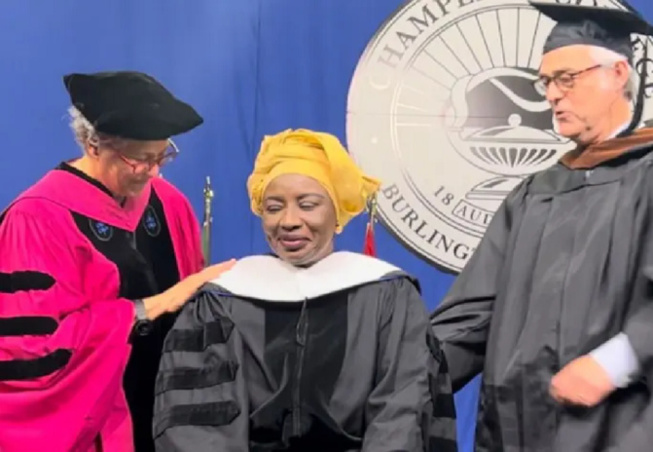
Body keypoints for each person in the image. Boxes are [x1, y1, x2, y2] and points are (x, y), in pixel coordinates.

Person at [429, 2, 653, 450]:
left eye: (566, 78)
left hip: (620, 428)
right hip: (516, 432)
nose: (551, 95)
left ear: (617, 73)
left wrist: (617, 361)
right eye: (546, 81)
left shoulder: (647, 178)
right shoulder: (533, 194)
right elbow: (471, 316)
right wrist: (385, 370)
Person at [152, 128, 458, 451]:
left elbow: (403, 411)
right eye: (273, 207)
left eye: (308, 205)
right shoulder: (221, 301)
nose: (289, 221)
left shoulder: (388, 296)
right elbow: (197, 427)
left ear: (336, 211)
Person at [0, 71, 235, 452]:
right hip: (95, 429)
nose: (154, 170)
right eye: (140, 159)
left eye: (162, 155)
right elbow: (30, 351)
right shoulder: (37, 219)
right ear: (94, 145)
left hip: (169, 416)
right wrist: (145, 309)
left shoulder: (167, 202)